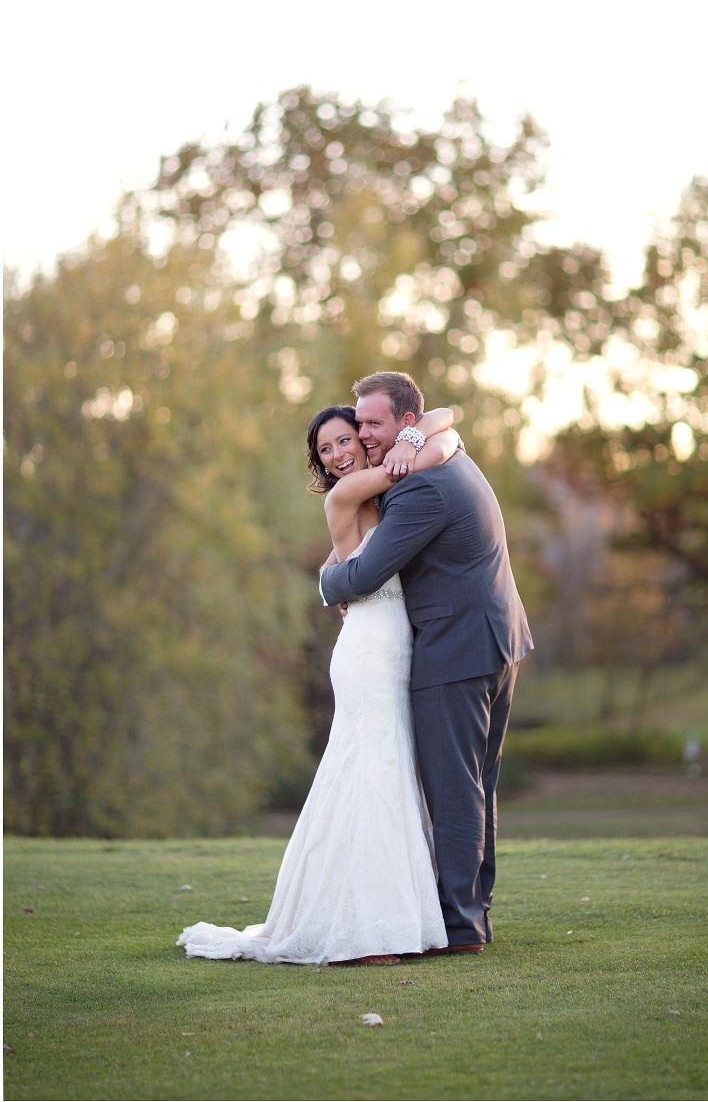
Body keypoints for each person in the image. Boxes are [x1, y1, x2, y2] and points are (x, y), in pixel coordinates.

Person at [177, 403, 458, 965]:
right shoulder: (346, 494)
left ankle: (383, 921)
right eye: (325, 450)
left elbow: (445, 424)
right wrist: (415, 437)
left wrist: (417, 433)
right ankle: (365, 933)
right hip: (368, 651)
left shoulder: (376, 498)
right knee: (369, 773)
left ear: (361, 438)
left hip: (392, 643)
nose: (337, 455)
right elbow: (443, 443)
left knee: (386, 771)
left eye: (344, 441)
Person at [320, 372, 533, 955]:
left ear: (404, 424)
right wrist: (433, 432)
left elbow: (363, 576)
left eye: (373, 424)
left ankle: (461, 927)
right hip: (493, 641)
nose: (363, 436)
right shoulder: (438, 458)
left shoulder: (421, 487)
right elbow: (444, 423)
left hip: (457, 650)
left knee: (455, 791)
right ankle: (472, 916)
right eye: (358, 423)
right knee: (476, 785)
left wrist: (326, 581)